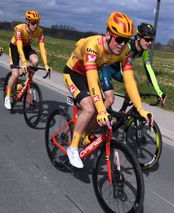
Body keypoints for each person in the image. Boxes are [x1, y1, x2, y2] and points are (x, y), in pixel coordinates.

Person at [63, 11, 154, 168]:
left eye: (126, 40)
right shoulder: (93, 46)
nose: (122, 44)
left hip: (90, 75)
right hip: (74, 73)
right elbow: (91, 79)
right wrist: (100, 108)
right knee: (90, 108)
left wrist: (140, 108)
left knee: (102, 110)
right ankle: (73, 147)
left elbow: (129, 81)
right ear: (108, 35)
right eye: (119, 39)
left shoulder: (124, 51)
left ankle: (84, 131)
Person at [99, 22, 167, 113]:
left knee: (134, 88)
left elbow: (149, 71)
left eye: (151, 40)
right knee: (110, 99)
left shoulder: (144, 51)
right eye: (147, 39)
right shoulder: (127, 46)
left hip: (119, 71)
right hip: (106, 69)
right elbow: (122, 67)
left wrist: (159, 92)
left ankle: (122, 112)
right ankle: (97, 119)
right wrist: (130, 85)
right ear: (138, 37)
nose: (150, 42)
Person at [4, 9, 52, 110]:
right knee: (15, 74)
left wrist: (46, 65)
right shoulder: (19, 29)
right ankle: (8, 96)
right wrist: (24, 62)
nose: (36, 25)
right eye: (33, 23)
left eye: (37, 23)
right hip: (15, 47)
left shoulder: (39, 31)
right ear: (27, 21)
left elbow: (42, 48)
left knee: (35, 61)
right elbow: (19, 46)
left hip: (26, 48)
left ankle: (26, 83)